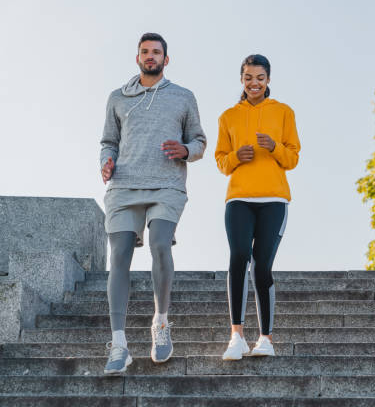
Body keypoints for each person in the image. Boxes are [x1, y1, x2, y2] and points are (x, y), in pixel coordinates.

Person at [99, 32, 206, 374]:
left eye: (156, 52)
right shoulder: (118, 97)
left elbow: (199, 140)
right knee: (119, 256)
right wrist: (107, 161)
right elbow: (108, 141)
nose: (150, 56)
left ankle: (160, 322)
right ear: (137, 58)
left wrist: (187, 150)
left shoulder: (183, 97)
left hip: (166, 185)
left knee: (160, 244)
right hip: (124, 186)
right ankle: (119, 343)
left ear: (165, 59)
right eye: (145, 52)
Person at [215, 54, 300, 360]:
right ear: (242, 79)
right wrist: (238, 156)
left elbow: (293, 158)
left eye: (260, 78)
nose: (254, 83)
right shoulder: (228, 117)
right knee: (238, 257)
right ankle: (236, 336)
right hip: (239, 199)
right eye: (249, 77)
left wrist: (273, 147)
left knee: (262, 266)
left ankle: (265, 338)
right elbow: (222, 162)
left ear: (268, 80)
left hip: (274, 200)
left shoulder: (284, 112)